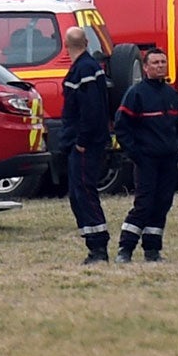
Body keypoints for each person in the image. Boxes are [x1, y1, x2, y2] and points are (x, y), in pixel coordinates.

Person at [114, 46, 178, 262]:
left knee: (163, 203)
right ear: (145, 68)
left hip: (168, 159)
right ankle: (125, 249)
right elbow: (122, 126)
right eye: (155, 63)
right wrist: (136, 153)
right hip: (146, 160)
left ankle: (152, 250)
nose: (160, 66)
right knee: (144, 205)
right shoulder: (136, 94)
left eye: (163, 62)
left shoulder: (171, 94)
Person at [59, 26, 113, 264]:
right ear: (87, 41)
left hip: (85, 144)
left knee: (84, 193)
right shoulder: (89, 67)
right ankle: (94, 244)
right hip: (87, 141)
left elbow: (90, 110)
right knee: (79, 194)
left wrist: (81, 141)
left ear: (65, 43)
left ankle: (98, 247)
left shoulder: (84, 70)